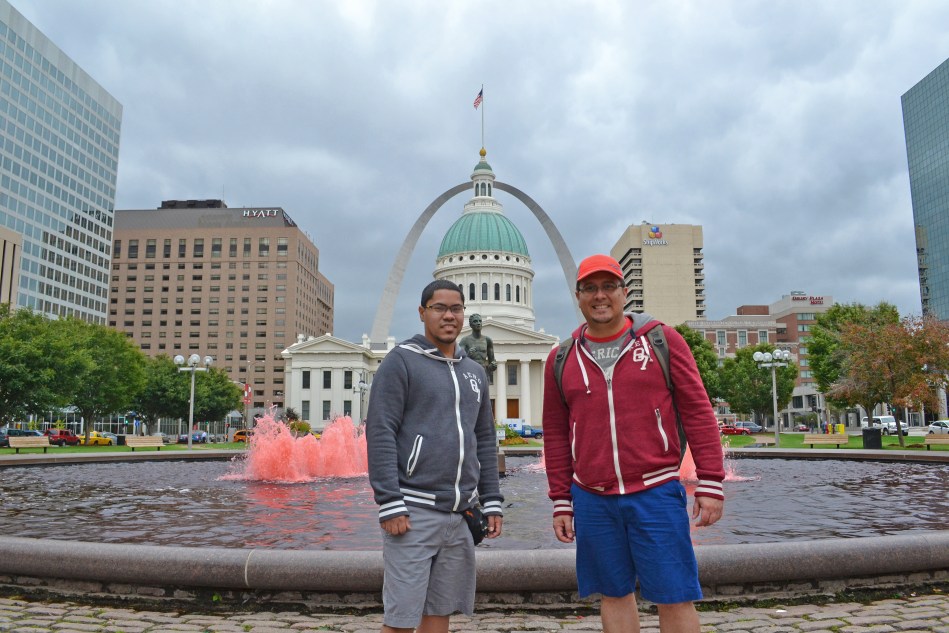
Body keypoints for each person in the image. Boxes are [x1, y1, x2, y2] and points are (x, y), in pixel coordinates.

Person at [542, 254, 725, 633]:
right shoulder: (561, 358)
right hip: (592, 497)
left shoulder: (661, 340)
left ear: (625, 292)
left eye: (609, 286)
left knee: (674, 594)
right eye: (590, 288)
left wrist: (710, 481)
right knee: (613, 593)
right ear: (577, 296)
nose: (600, 295)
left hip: (655, 490)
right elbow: (557, 432)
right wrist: (561, 498)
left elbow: (698, 411)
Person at [366, 279, 504, 633]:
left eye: (456, 309)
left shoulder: (473, 372)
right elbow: (380, 430)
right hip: (413, 511)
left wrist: (491, 501)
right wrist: (390, 502)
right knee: (400, 620)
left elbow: (484, 439)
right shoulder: (401, 362)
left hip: (460, 514)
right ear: (423, 312)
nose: (449, 316)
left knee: (439, 614)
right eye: (440, 308)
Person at [459, 313, 497, 381]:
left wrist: (493, 365)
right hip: (469, 373)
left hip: (483, 373)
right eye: (475, 321)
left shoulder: (487, 340)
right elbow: (458, 361)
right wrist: (468, 355)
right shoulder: (465, 340)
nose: (478, 323)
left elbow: (492, 363)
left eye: (480, 321)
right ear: (470, 325)